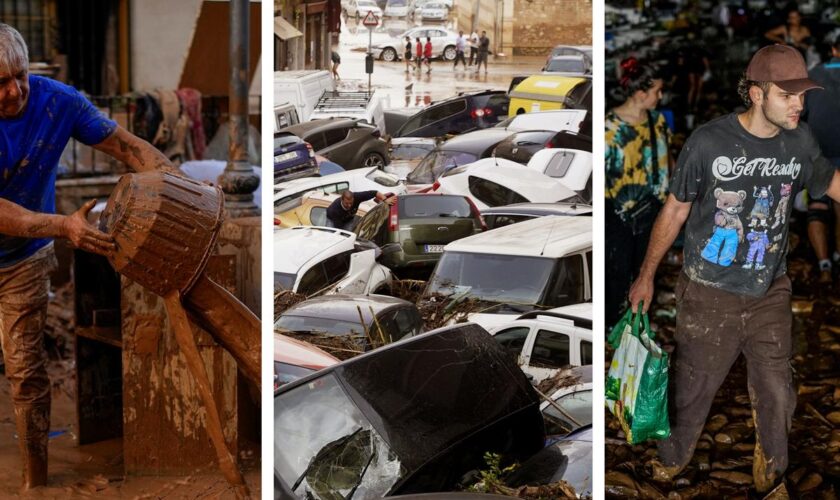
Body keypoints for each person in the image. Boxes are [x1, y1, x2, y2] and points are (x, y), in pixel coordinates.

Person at [628, 44, 840, 496]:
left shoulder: (800, 141)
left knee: (778, 390)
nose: (799, 105)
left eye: (803, 95)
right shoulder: (708, 142)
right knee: (691, 392)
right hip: (708, 293)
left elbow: (831, 181)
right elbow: (675, 211)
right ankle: (670, 461)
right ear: (758, 94)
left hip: (770, 289)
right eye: (788, 95)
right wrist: (646, 276)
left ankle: (772, 477)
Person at [0, 23, 175, 490]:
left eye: (20, 76)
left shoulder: (57, 101)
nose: (13, 90)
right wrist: (65, 226)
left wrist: (178, 187)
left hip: (23, 260)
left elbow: (128, 148)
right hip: (29, 229)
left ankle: (33, 481)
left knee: (26, 371)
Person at [605, 57, 669, 330]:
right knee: (618, 274)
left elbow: (667, 159)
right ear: (641, 93)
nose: (661, 96)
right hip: (619, 216)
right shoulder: (609, 130)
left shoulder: (657, 121)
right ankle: (615, 327)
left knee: (648, 270)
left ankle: (640, 324)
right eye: (657, 91)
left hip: (655, 210)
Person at [803, 37, 840, 284]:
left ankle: (824, 264)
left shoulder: (812, 76)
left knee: (817, 206)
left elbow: (799, 113)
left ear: (834, 50)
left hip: (816, 152)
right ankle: (838, 254)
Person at [325, 190, 395, 231]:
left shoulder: (357, 197)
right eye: (347, 203)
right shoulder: (334, 210)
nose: (349, 205)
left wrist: (385, 200)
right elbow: (339, 230)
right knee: (333, 237)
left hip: (348, 218)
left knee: (349, 235)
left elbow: (374, 193)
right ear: (342, 199)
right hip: (333, 220)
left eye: (351, 203)